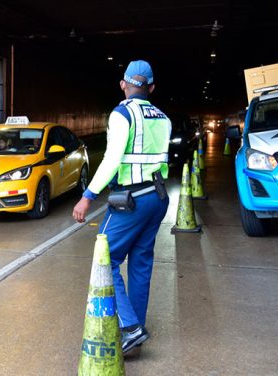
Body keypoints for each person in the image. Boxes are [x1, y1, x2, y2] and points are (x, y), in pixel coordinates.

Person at [72, 60, 171, 355]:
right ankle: (135, 331)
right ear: (151, 87)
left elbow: (112, 159)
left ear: (123, 84)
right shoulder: (163, 117)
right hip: (158, 197)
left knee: (106, 259)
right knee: (141, 263)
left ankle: (129, 328)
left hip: (132, 199)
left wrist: (88, 196)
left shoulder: (122, 114)